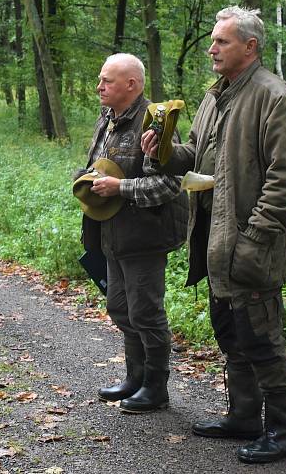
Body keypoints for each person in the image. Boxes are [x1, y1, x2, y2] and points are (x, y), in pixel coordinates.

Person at [141, 6, 286, 464]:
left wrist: (255, 236)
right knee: (229, 333)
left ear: (250, 46)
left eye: (222, 41)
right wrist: (165, 153)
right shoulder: (215, 96)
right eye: (212, 41)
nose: (211, 48)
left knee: (261, 338)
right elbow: (195, 154)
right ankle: (243, 418)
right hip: (213, 241)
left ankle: (282, 431)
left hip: (251, 244)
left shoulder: (275, 97)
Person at [83, 54, 187, 413]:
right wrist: (85, 180)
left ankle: (156, 388)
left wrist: (120, 188)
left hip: (145, 235)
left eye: (107, 81)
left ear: (132, 85)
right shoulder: (108, 119)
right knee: (119, 307)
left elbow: (170, 184)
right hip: (111, 233)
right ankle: (135, 377)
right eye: (100, 80)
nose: (99, 87)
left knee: (146, 312)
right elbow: (97, 164)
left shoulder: (156, 124)